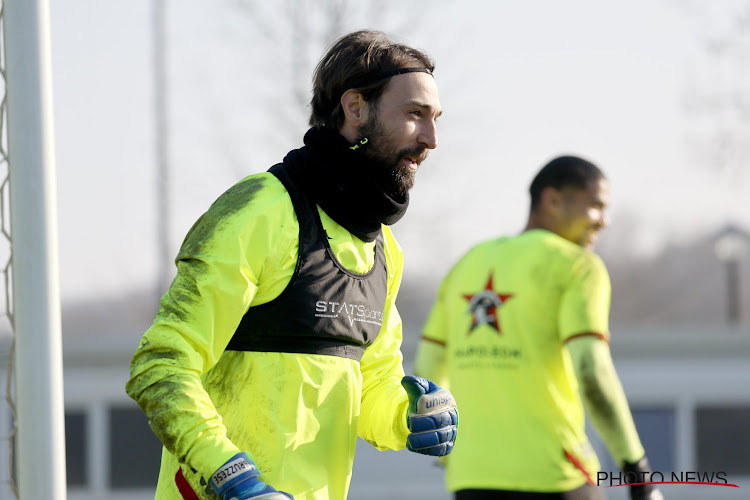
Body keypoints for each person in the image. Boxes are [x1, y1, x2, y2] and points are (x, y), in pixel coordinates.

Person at [126, 30, 458, 500]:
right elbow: (162, 365)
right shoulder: (259, 209)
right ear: (355, 108)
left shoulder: (383, 246)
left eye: (435, 119)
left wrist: (411, 416)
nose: (431, 139)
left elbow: (372, 385)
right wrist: (232, 478)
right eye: (415, 114)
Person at [414, 156, 663, 500]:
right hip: (555, 476)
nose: (604, 221)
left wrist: (448, 453)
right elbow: (591, 372)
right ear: (552, 199)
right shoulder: (578, 266)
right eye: (595, 206)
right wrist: (638, 471)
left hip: (471, 477)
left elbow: (427, 374)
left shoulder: (468, 262)